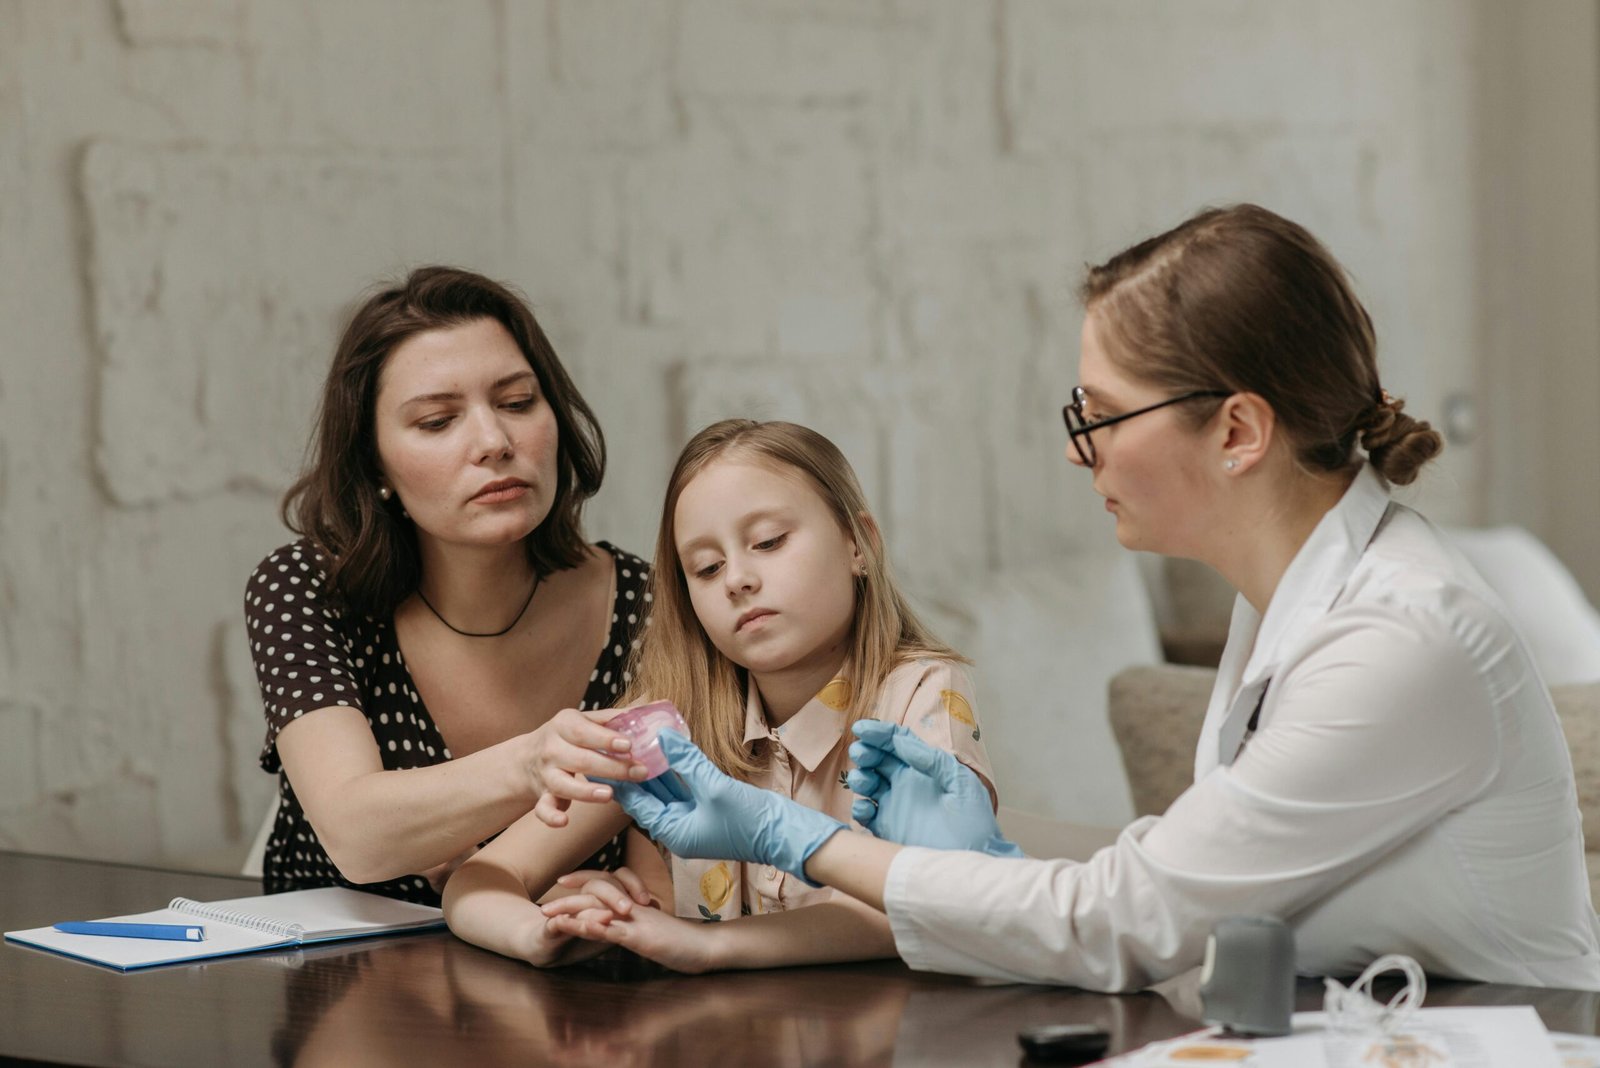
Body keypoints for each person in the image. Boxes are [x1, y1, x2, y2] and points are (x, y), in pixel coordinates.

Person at [604, 204, 1600, 991]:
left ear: (1238, 432)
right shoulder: (1294, 598)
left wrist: (797, 838)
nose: (1082, 448)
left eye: (1106, 415)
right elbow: (1179, 882)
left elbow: (1125, 919)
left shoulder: (1396, 639)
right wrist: (987, 860)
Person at [442, 419, 999, 970]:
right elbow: (478, 881)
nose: (737, 579)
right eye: (706, 568)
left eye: (769, 542)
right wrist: (548, 930)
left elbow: (929, 901)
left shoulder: (917, 694)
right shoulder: (666, 725)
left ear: (860, 545)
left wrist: (704, 943)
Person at [245, 265, 655, 905]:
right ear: (373, 463)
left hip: (571, 988)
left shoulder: (649, 608)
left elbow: (659, 863)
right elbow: (358, 838)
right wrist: (532, 761)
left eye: (518, 403)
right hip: (333, 982)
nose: (494, 441)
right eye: (437, 421)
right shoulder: (306, 588)